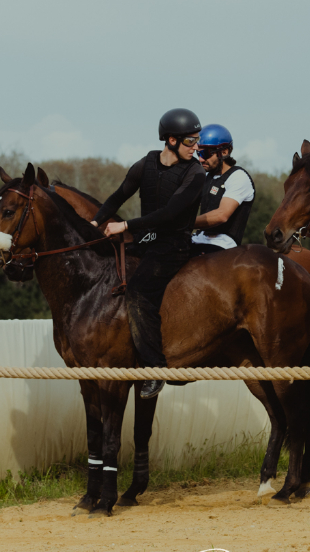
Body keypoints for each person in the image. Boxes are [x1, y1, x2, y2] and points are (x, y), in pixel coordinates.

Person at [91, 108, 205, 398]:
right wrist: (94, 222)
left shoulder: (196, 174)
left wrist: (124, 225)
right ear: (170, 140)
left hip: (173, 245)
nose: (196, 147)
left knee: (139, 290)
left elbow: (168, 214)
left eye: (197, 141)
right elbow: (118, 196)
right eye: (191, 141)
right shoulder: (145, 164)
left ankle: (155, 369)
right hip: (147, 240)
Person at [190, 124, 255, 256]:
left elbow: (221, 215)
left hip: (223, 244)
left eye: (205, 153)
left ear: (224, 152)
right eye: (198, 153)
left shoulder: (238, 177)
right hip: (199, 238)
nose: (201, 158)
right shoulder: (208, 177)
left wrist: (185, 223)